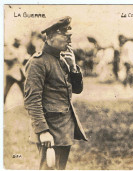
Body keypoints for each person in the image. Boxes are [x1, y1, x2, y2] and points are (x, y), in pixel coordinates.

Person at [24, 16, 87, 170]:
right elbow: (32, 100)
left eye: (70, 36)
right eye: (66, 36)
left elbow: (77, 89)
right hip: (50, 128)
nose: (69, 41)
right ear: (51, 37)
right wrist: (43, 131)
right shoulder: (38, 62)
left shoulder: (62, 60)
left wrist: (73, 68)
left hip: (64, 127)